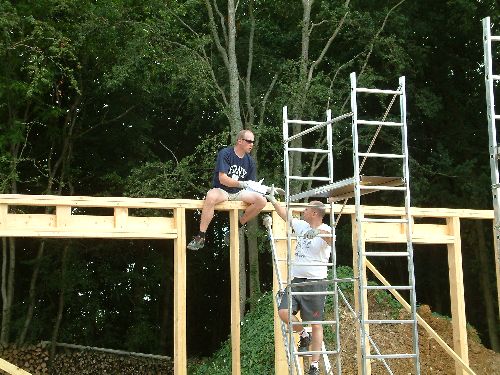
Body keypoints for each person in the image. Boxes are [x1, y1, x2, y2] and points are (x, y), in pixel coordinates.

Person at [266, 191, 334, 375]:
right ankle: (304, 335)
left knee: (317, 324)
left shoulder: (327, 229)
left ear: (314, 213)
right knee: (283, 312)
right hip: (296, 282)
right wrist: (273, 200)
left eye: (306, 209)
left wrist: (318, 232)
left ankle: (314, 366)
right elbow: (285, 215)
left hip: (315, 284)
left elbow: (331, 240)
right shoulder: (302, 225)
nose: (303, 210)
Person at [187, 129, 267, 250]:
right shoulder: (225, 153)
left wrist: (264, 190)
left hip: (239, 192)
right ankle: (201, 236)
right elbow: (223, 179)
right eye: (249, 141)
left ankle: (236, 227)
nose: (252, 144)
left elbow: (251, 184)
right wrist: (243, 184)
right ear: (240, 141)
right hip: (222, 190)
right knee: (211, 196)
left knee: (262, 201)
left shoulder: (250, 161)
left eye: (253, 142)